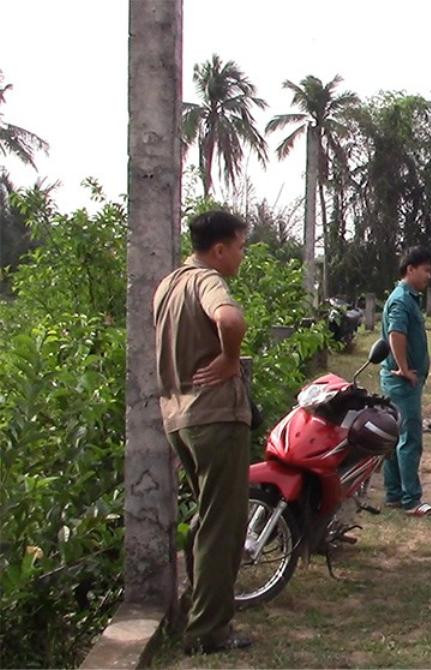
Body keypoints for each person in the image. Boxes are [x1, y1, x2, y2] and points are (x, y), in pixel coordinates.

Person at [153, 210, 252, 654]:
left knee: (205, 518)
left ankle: (201, 607)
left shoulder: (168, 285)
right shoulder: (208, 281)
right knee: (223, 525)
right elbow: (229, 320)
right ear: (219, 249)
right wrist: (231, 360)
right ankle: (210, 630)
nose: (241, 256)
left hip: (178, 418)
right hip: (214, 417)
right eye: (240, 246)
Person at [381, 247, 431, 517]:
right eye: (425, 270)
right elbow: (396, 333)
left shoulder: (408, 298)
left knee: (394, 437)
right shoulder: (401, 300)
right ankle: (411, 500)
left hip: (399, 380)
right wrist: (404, 368)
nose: (429, 275)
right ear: (410, 269)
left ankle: (394, 493)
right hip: (402, 382)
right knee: (409, 439)